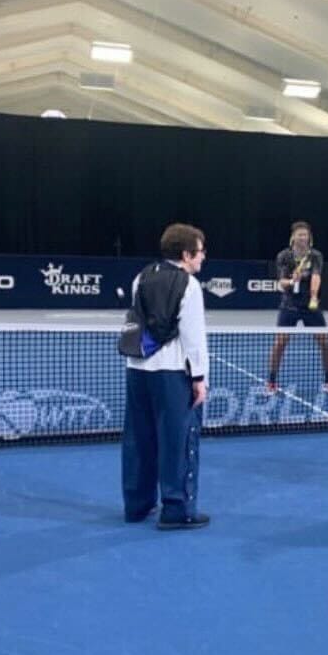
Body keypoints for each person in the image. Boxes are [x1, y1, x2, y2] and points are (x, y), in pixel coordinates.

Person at [122, 223, 210, 530]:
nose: (203, 257)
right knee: (178, 443)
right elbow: (193, 338)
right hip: (172, 375)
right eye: (200, 252)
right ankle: (177, 511)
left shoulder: (140, 277)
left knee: (139, 440)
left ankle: (136, 505)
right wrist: (199, 379)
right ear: (186, 254)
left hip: (137, 372)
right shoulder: (190, 285)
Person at [267, 221, 328, 394]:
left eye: (305, 235)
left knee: (325, 343)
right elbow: (282, 283)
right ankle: (271, 382)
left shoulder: (315, 256)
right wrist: (293, 281)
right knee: (280, 344)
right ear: (293, 238)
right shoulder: (284, 256)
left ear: (309, 238)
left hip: (310, 307)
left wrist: (314, 296)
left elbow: (316, 276)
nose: (302, 238)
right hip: (289, 306)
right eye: (299, 235)